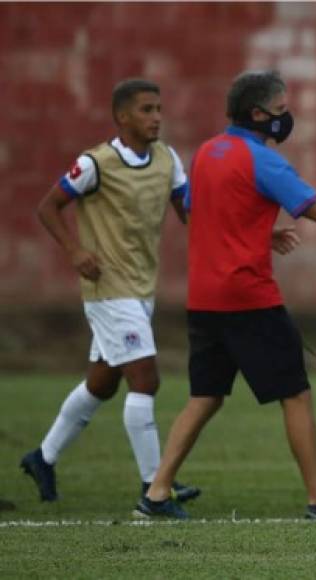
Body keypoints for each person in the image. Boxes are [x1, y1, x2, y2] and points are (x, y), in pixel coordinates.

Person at [135, 70, 316, 520]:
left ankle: (156, 494)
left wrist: (263, 232)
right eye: (281, 109)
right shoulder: (262, 160)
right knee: (294, 394)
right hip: (249, 298)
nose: (286, 116)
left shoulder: (206, 153)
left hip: (204, 298)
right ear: (259, 114)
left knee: (205, 396)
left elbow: (201, 214)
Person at [22, 79, 199, 504]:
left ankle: (42, 458)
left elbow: (191, 213)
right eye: (146, 109)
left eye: (158, 108)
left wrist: (241, 241)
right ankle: (154, 485)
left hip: (142, 286)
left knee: (102, 384)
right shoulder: (95, 164)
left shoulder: (167, 159)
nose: (156, 117)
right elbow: (48, 207)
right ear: (122, 117)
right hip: (108, 289)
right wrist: (75, 250)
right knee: (145, 379)